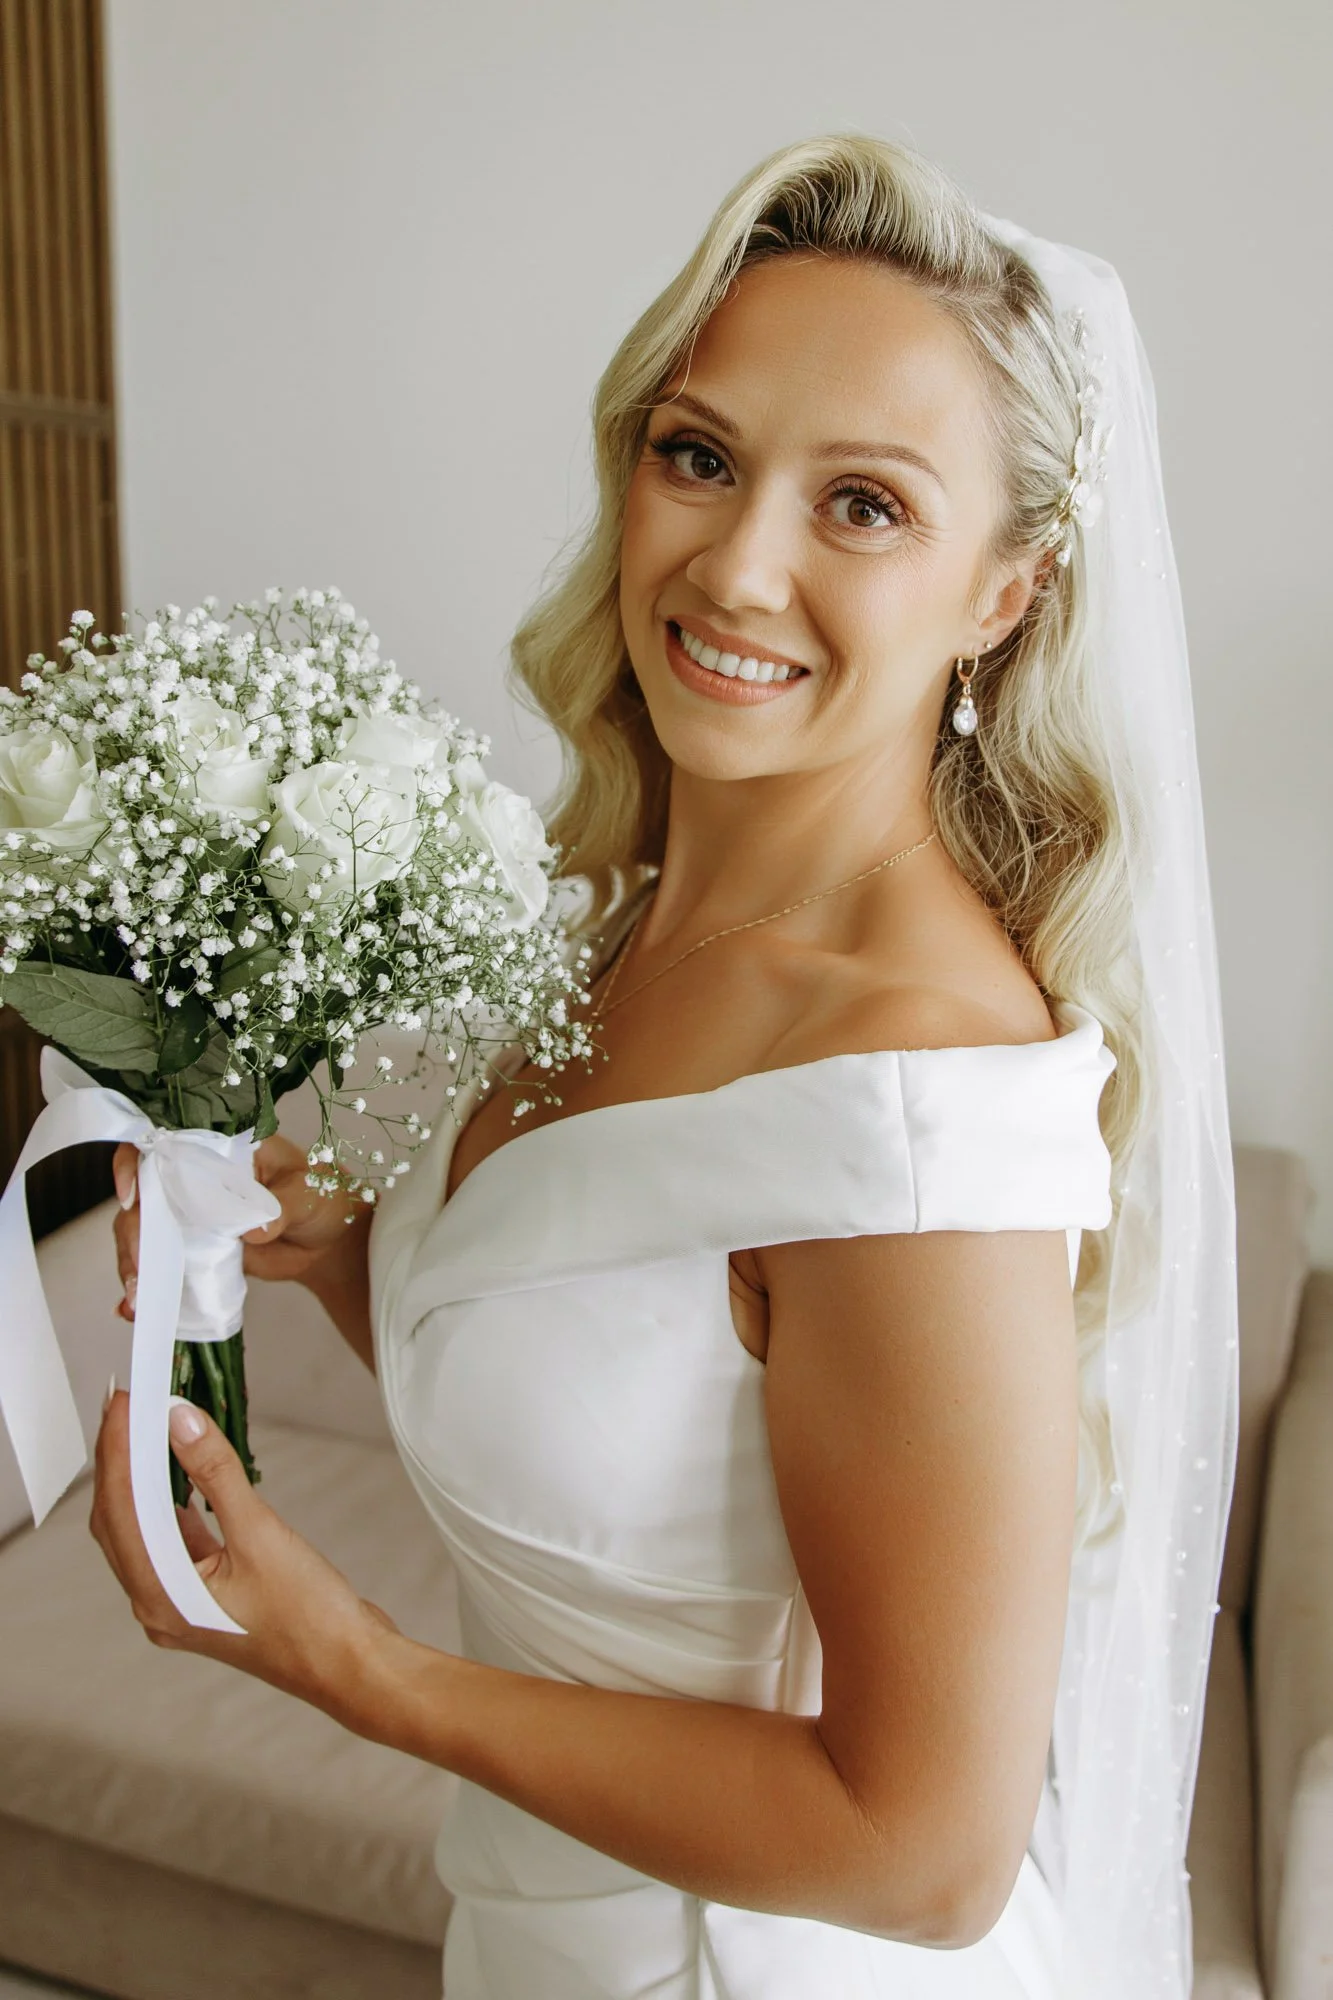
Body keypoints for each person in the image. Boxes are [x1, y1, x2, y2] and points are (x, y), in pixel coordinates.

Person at [96, 133, 1238, 2000]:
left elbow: (927, 1851)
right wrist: (357, 1266)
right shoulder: (607, 922)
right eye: (698, 454)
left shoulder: (916, 1101)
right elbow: (638, 1494)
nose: (738, 562)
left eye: (863, 505)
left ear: (1003, 595)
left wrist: (362, 1672)